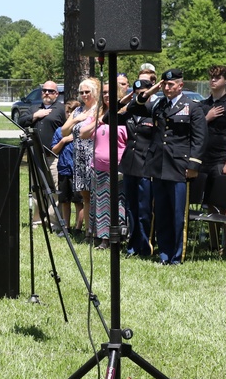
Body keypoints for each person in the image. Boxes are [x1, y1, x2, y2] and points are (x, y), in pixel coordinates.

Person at [127, 68, 206, 265]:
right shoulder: (158, 104)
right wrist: (152, 91)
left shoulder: (192, 107)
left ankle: (177, 256)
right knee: (161, 213)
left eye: (171, 84)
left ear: (181, 85)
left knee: (178, 214)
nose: (167, 88)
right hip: (158, 165)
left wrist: (193, 164)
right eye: (164, 84)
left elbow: (199, 138)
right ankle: (164, 253)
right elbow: (134, 107)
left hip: (179, 166)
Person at [79, 83, 128, 249]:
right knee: (100, 204)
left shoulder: (124, 114)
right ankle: (103, 238)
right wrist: (99, 122)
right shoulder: (98, 114)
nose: (107, 95)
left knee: (118, 203)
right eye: (105, 93)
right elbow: (83, 133)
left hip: (119, 167)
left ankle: (119, 237)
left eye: (111, 92)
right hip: (98, 167)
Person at [199, 66, 226, 252]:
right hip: (204, 160)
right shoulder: (204, 105)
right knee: (209, 203)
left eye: (217, 78)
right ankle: (214, 244)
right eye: (211, 77)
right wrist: (206, 118)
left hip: (221, 159)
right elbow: (198, 130)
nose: (213, 81)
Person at [18, 80, 66, 229]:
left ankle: (53, 221)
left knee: (54, 189)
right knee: (37, 187)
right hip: (35, 156)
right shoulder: (34, 108)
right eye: (44, 90)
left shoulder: (61, 109)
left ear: (56, 94)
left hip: (53, 157)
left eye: (50, 91)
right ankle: (38, 219)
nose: (47, 93)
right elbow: (20, 121)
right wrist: (35, 116)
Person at [117, 79, 156, 257]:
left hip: (147, 165)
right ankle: (133, 245)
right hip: (129, 164)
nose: (141, 94)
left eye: (144, 91)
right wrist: (122, 102)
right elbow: (108, 118)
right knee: (131, 208)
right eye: (137, 92)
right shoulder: (130, 113)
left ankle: (145, 245)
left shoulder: (155, 111)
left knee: (144, 209)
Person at [62, 78, 100, 237]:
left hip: (95, 155)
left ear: (94, 92)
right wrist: (77, 119)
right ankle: (88, 231)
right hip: (79, 157)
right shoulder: (78, 111)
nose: (84, 95)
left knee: (97, 194)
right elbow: (64, 131)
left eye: (87, 92)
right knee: (85, 194)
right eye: (82, 92)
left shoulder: (100, 108)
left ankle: (99, 230)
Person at [51, 99, 81, 233]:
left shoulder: (81, 130)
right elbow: (54, 150)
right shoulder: (59, 131)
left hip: (77, 170)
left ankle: (78, 227)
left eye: (73, 112)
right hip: (63, 168)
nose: (69, 115)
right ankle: (66, 227)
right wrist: (63, 140)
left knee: (78, 200)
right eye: (67, 112)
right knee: (65, 200)